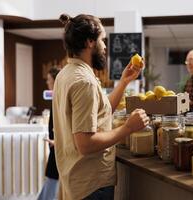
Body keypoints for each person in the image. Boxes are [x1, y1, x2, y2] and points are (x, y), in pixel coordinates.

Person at [53, 14, 149, 200]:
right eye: (102, 39)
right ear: (90, 42)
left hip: (76, 181)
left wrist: (123, 82)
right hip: (91, 185)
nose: (105, 46)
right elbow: (86, 144)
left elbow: (100, 114)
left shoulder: (66, 74)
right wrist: (128, 127)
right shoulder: (84, 82)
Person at [38, 67, 61, 200]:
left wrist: (58, 141)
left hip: (58, 148)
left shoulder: (59, 99)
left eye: (49, 79)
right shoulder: (56, 98)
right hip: (55, 148)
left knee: (52, 183)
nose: (47, 82)